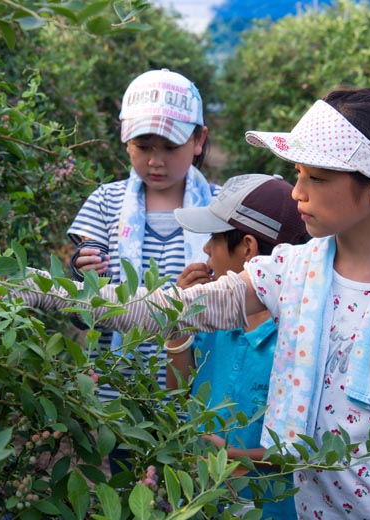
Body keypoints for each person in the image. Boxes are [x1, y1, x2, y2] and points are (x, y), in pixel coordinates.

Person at [13, 87, 370, 518]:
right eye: (297, 173)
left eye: (315, 178)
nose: (297, 192)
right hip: (311, 506)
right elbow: (158, 308)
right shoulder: (289, 273)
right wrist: (39, 288)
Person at [65, 68, 220, 406]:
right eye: (143, 146)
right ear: (126, 142)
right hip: (120, 394)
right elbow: (80, 314)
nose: (155, 160)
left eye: (169, 146)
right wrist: (84, 274)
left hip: (198, 394)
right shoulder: (106, 204)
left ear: (199, 141)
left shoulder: (221, 210)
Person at [166, 174, 308, 519]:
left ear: (247, 248)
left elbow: (311, 448)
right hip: (205, 498)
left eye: (215, 238)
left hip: (272, 506)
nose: (206, 250)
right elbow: (178, 390)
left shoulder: (297, 336)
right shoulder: (215, 316)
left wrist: (231, 455)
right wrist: (180, 321)